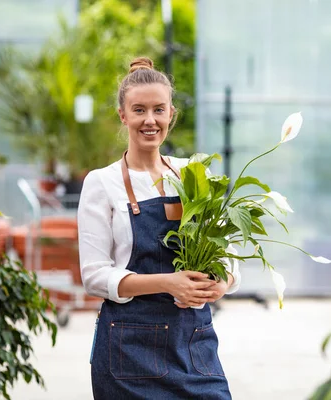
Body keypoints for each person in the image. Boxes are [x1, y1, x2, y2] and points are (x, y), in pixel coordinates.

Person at [77, 56, 240, 399]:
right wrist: (168, 282)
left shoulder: (194, 173)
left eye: (158, 110)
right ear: (123, 115)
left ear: (171, 114)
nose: (149, 120)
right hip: (128, 352)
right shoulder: (102, 183)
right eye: (139, 110)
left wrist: (222, 282)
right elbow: (94, 275)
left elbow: (228, 251)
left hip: (193, 346)